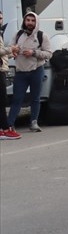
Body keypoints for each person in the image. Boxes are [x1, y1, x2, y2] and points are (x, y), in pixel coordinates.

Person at [4, 11, 52, 135]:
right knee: (17, 99)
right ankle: (10, 124)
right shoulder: (18, 35)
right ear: (24, 21)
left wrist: (34, 52)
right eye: (28, 20)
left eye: (32, 20)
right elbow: (10, 50)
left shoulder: (42, 36)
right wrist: (13, 52)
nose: (30, 23)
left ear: (36, 22)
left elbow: (49, 53)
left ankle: (34, 122)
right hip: (21, 72)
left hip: (37, 70)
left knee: (35, 98)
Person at [0, 11, 12, 140]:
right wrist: (10, 49)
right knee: (2, 101)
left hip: (2, 69)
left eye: (1, 18)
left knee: (2, 100)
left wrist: (10, 54)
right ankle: (4, 129)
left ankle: (4, 128)